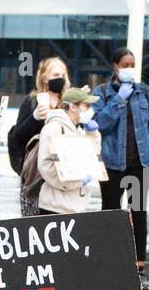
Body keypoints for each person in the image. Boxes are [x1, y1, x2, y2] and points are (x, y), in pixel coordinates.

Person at [93, 47, 149, 289]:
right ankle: (107, 264)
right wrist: (119, 100)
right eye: (125, 64)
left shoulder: (144, 92)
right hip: (112, 164)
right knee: (109, 213)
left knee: (139, 212)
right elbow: (99, 123)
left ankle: (139, 269)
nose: (129, 68)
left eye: (133, 64)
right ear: (114, 66)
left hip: (141, 163)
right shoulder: (101, 92)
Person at [7, 56, 69, 217]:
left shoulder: (68, 103)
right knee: (34, 222)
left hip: (62, 172)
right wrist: (34, 118)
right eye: (56, 75)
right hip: (36, 171)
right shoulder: (32, 101)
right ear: (44, 77)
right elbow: (18, 136)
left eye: (63, 75)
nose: (60, 79)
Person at [33, 86, 100, 215]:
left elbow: (93, 158)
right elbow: (46, 166)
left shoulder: (79, 129)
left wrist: (93, 135)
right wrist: (76, 181)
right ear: (73, 107)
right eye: (86, 105)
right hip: (54, 206)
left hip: (75, 205)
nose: (90, 110)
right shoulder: (54, 128)